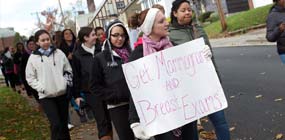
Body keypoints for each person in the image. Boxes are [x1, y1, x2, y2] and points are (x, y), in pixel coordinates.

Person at [168, 0, 230, 140]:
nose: (187, 12)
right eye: (183, 10)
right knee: (191, 130)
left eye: (189, 9)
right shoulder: (170, 35)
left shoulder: (199, 29)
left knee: (220, 122)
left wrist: (216, 78)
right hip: (188, 89)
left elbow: (210, 57)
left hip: (208, 84)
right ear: (175, 13)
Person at [90, 20, 135, 140]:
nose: (119, 39)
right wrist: (113, 95)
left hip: (136, 104)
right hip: (118, 107)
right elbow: (94, 86)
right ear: (109, 36)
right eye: (115, 35)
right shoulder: (100, 58)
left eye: (122, 35)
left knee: (144, 136)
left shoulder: (132, 54)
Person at [26, 29, 72, 140]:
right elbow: (30, 78)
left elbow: (68, 70)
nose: (46, 42)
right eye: (42, 40)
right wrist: (42, 88)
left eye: (47, 39)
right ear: (37, 42)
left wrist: (65, 83)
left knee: (63, 124)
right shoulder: (33, 58)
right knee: (56, 124)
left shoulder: (59, 53)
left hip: (61, 94)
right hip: (46, 96)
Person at [72, 26, 113, 140]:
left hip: (107, 89)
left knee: (109, 119)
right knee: (102, 121)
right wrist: (77, 95)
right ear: (85, 38)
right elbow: (76, 76)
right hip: (91, 92)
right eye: (93, 35)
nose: (97, 37)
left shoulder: (102, 49)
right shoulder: (77, 55)